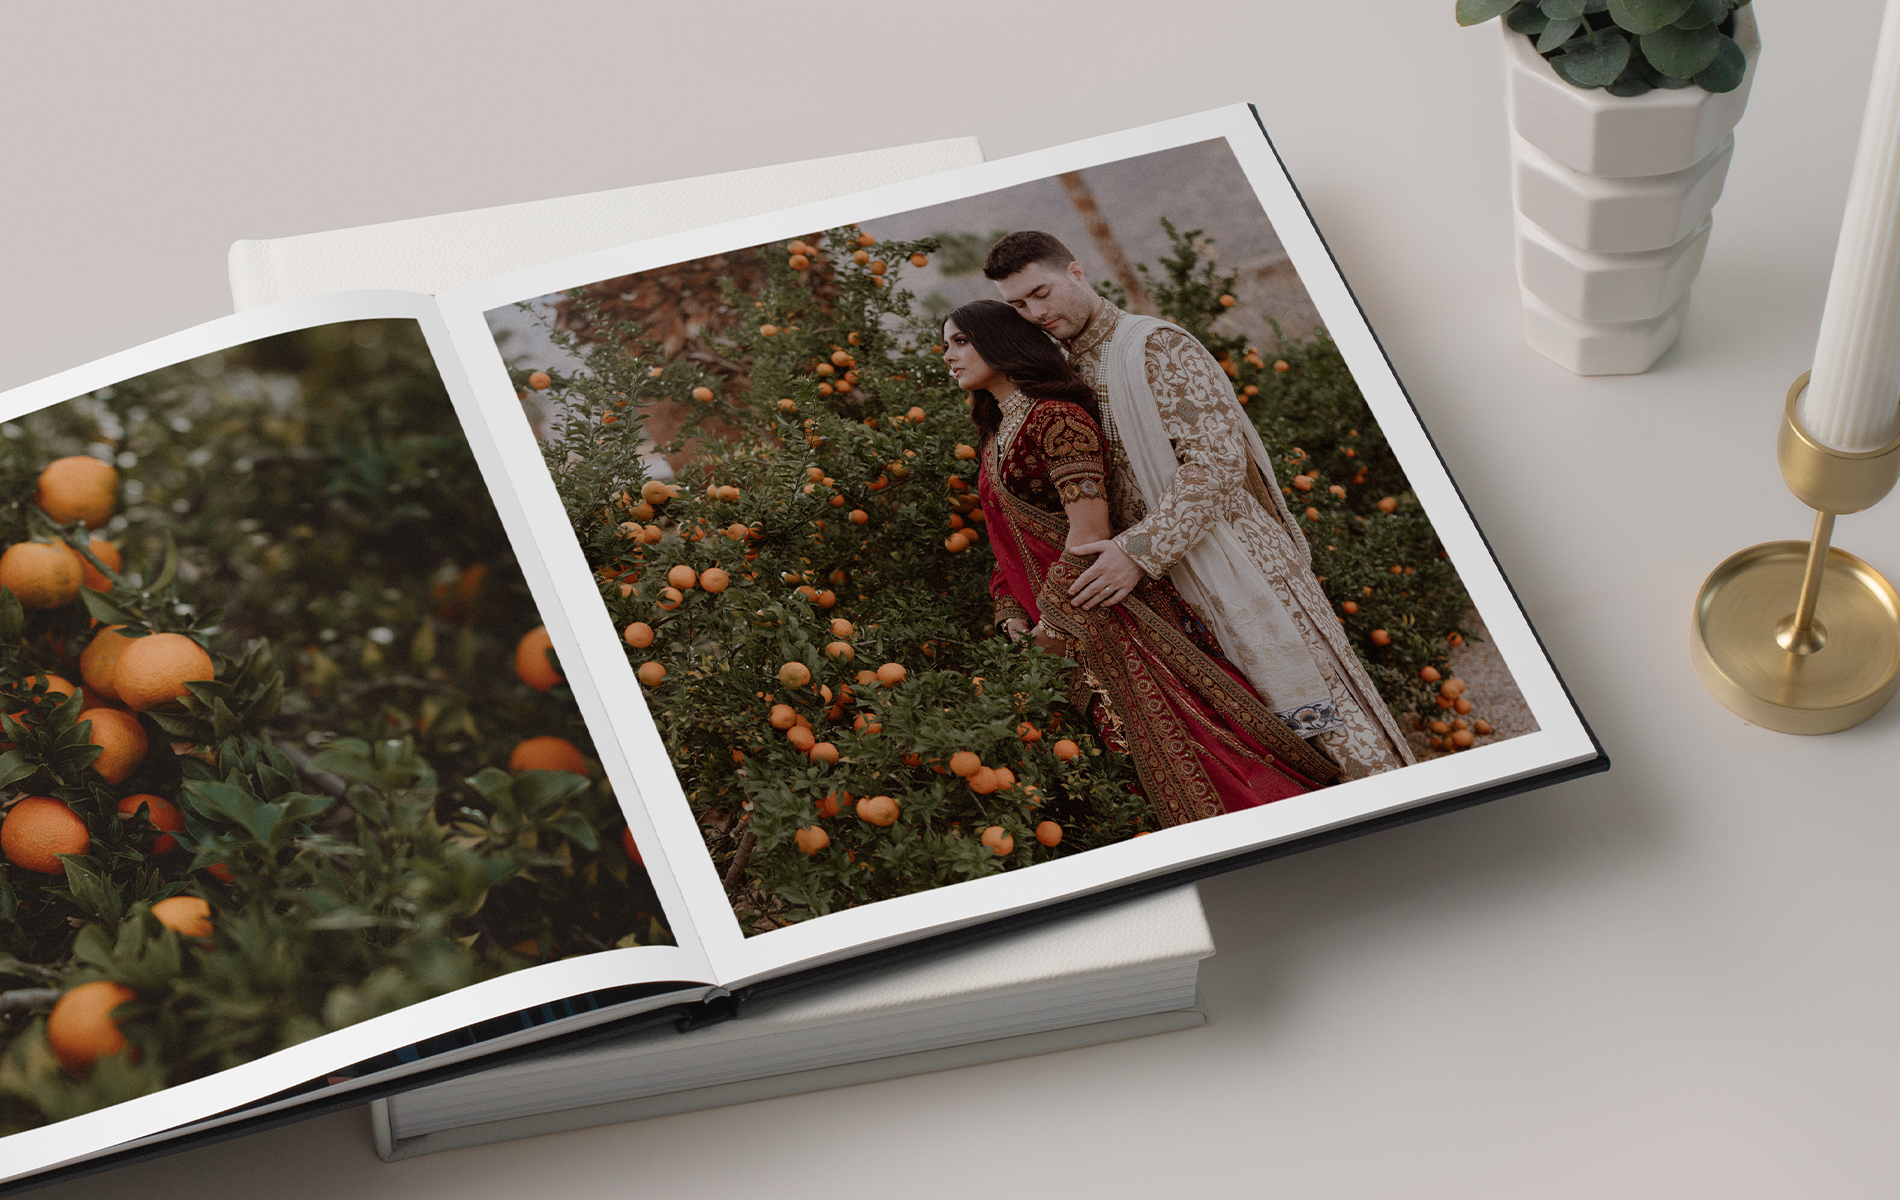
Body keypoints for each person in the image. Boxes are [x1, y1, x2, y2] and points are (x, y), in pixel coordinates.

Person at [983, 231, 1414, 781]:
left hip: (1243, 566)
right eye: (1018, 306)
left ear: (1075, 273)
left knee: (1334, 732)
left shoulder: (1156, 345)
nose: (1035, 313)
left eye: (1041, 293)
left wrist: (1139, 551)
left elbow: (1216, 462)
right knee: (1258, 747)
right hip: (1166, 590)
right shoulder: (1066, 372)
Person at [941, 299, 1339, 828]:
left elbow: (1088, 534)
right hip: (1057, 626)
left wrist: (1052, 632)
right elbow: (1005, 537)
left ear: (1002, 342)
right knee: (1128, 772)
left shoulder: (1055, 418)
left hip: (1108, 614)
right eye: (944, 345)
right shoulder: (995, 433)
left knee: (1198, 752)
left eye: (960, 341)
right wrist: (1011, 609)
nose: (948, 355)